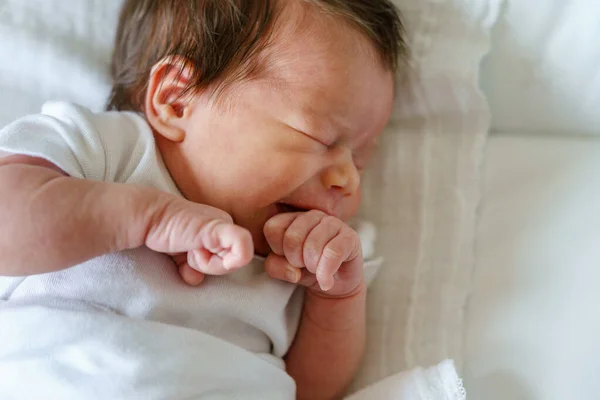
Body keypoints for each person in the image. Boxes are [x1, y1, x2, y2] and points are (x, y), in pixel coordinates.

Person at [0, 0, 406, 398]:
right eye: (321, 138)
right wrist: (148, 218)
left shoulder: (306, 257)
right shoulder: (107, 152)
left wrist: (337, 297)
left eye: (360, 160)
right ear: (176, 100)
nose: (347, 179)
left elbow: (313, 389)